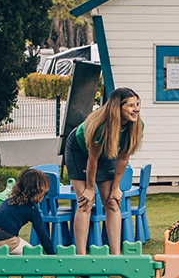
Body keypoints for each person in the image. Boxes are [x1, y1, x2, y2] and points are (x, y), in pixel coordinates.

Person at [64, 87, 143, 255]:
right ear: (117, 107)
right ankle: (81, 257)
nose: (136, 109)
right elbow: (92, 160)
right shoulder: (101, 126)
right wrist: (90, 189)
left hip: (107, 151)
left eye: (137, 104)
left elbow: (122, 158)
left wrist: (115, 188)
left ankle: (115, 256)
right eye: (130, 105)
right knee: (85, 203)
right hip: (79, 151)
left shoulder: (136, 125)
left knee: (113, 202)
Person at [0, 168, 56, 255]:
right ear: (38, 192)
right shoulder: (31, 209)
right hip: (2, 238)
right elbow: (43, 236)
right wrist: (52, 255)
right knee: (34, 254)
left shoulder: (8, 201)